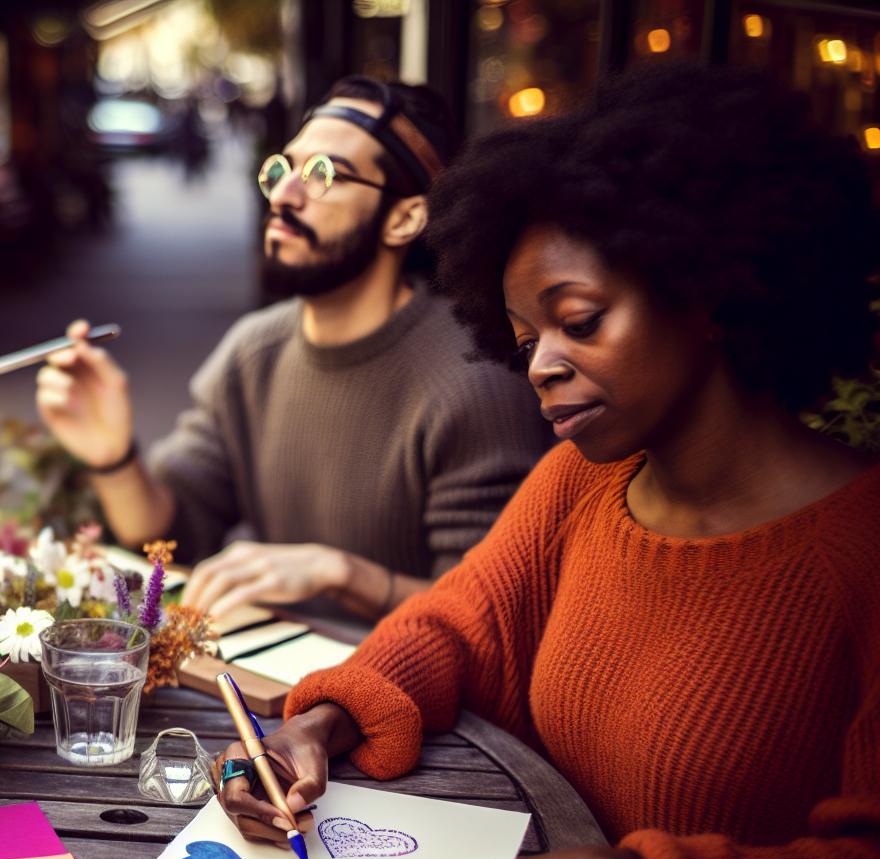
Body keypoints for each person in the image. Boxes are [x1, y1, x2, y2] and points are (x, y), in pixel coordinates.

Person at [211, 64, 879, 859]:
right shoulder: (583, 483)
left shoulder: (861, 552)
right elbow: (454, 627)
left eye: (579, 322)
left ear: (708, 294)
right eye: (524, 339)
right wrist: (318, 725)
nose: (542, 367)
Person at [35, 77, 547, 623]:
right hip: (269, 666)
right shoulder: (254, 351)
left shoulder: (473, 381)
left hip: (402, 677)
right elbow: (170, 535)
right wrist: (113, 457)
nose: (282, 195)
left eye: (325, 174)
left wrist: (343, 574)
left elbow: (491, 617)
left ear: (405, 218)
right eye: (283, 169)